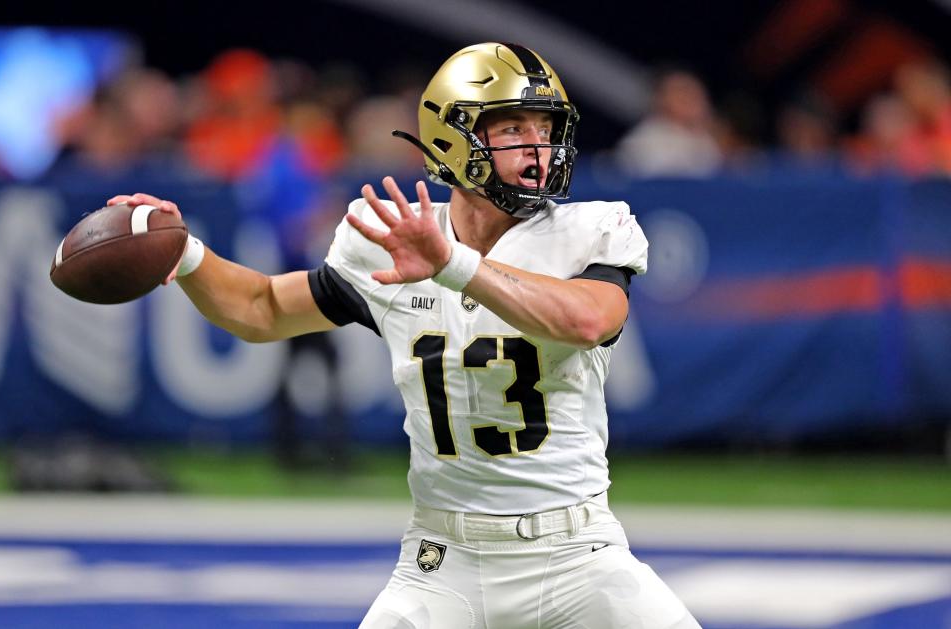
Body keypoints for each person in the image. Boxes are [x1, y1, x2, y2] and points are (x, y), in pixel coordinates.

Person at [109, 42, 700, 629]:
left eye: (544, 128)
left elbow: (589, 319)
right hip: (444, 563)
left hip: (579, 558)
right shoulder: (392, 241)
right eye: (512, 127)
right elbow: (260, 308)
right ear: (451, 137)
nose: (537, 147)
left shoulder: (591, 228)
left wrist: (454, 265)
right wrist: (184, 251)